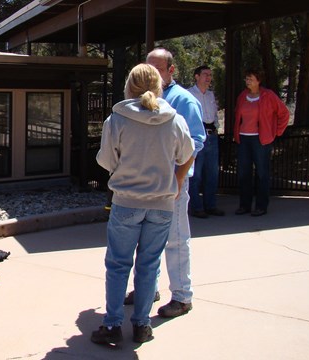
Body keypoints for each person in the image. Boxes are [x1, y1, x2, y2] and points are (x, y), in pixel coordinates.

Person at [91, 64, 194, 346]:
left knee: (118, 265)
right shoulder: (174, 119)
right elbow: (188, 153)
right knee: (149, 265)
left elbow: (107, 161)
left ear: (129, 86)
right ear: (159, 86)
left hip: (127, 203)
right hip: (162, 204)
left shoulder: (117, 119)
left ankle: (112, 325)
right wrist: (177, 181)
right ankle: (142, 325)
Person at [122, 48, 206, 318]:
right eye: (148, 66)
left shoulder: (185, 101)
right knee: (145, 242)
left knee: (176, 240)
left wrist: (179, 181)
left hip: (172, 188)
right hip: (145, 186)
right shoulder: (138, 101)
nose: (152, 72)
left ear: (171, 71)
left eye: (158, 68)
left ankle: (182, 296)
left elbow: (195, 144)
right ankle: (148, 289)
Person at [233, 68, 289, 216]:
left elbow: (284, 113)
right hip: (244, 138)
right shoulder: (243, 96)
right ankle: (244, 205)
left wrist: (276, 132)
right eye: (246, 78)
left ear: (258, 80)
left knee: (262, 174)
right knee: (244, 173)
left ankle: (261, 206)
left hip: (260, 139)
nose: (247, 81)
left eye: (250, 78)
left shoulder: (268, 95)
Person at [187, 65, 224, 218]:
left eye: (210, 74)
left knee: (212, 174)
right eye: (205, 74)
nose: (208, 77)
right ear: (197, 76)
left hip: (212, 136)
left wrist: (216, 128)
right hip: (196, 136)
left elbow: (214, 115)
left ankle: (210, 205)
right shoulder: (189, 94)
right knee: (196, 175)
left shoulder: (210, 95)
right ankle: (196, 207)